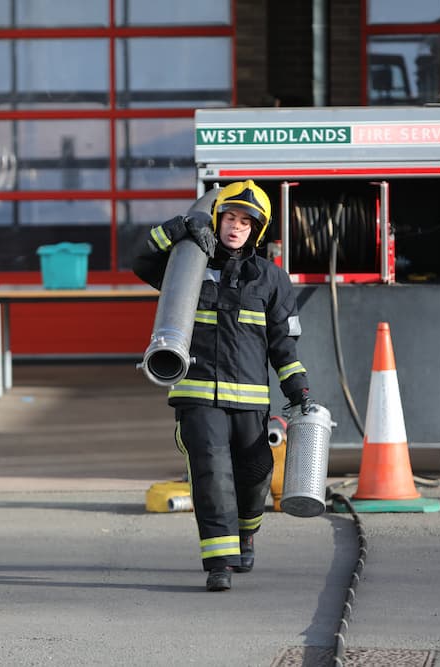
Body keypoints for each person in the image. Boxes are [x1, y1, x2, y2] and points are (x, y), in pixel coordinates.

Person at [133, 180, 312, 592]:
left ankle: (246, 533)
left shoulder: (270, 279)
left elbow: (284, 344)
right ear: (218, 219)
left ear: (256, 230)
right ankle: (219, 562)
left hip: (250, 399)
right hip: (196, 394)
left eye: (245, 222)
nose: (235, 227)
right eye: (230, 217)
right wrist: (178, 227)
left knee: (255, 474)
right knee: (211, 472)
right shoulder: (187, 265)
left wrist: (299, 391)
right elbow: (141, 259)